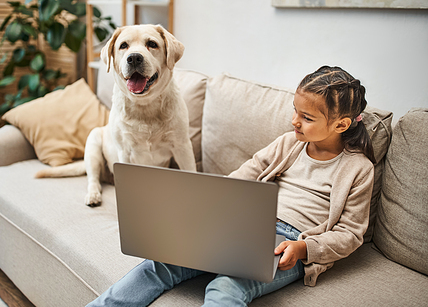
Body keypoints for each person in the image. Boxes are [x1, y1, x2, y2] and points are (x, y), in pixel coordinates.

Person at [86, 66, 376, 307]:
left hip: (287, 244)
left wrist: (304, 249)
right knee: (159, 264)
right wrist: (215, 204)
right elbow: (250, 171)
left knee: (225, 288)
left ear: (341, 125)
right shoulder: (289, 143)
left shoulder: (358, 169)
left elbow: (350, 234)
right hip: (244, 223)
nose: (294, 122)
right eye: (295, 111)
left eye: (307, 118)